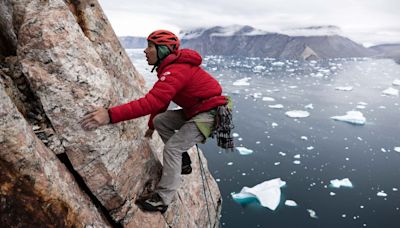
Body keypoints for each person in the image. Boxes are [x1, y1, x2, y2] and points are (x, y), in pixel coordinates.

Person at [80, 30, 231, 213]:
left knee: (173, 148)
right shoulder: (171, 68)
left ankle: (162, 198)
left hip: (209, 113)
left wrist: (109, 115)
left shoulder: (177, 70)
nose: (145, 51)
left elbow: (151, 102)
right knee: (161, 120)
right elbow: (162, 102)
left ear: (163, 50)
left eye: (150, 46)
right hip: (199, 110)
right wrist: (152, 125)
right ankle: (182, 161)